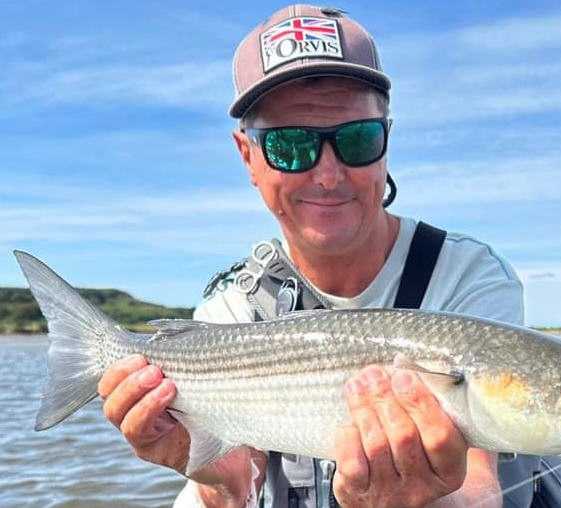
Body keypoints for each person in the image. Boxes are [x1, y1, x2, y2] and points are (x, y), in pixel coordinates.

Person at [97, 5, 530, 508]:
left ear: (387, 141)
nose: (327, 175)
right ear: (248, 157)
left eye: (358, 139)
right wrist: (224, 482)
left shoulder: (470, 276)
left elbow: (480, 483)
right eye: (290, 145)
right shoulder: (230, 307)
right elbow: (235, 483)